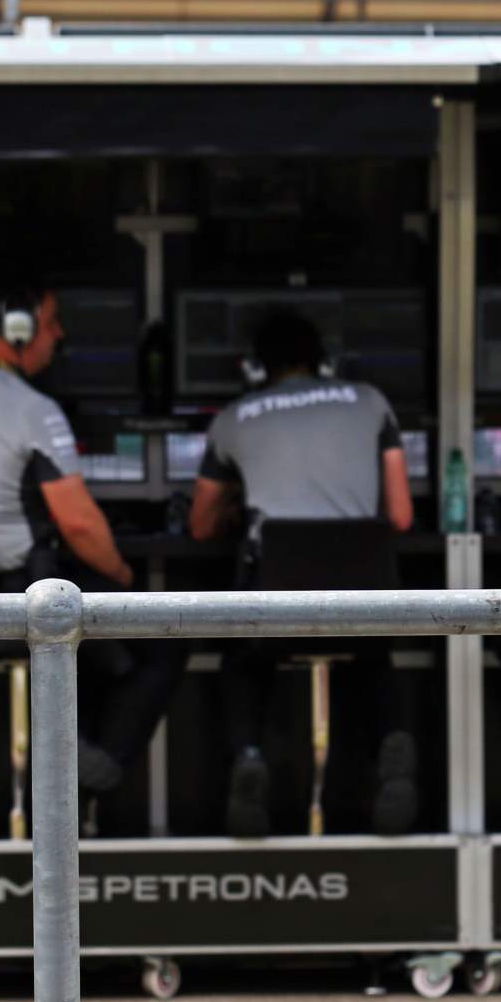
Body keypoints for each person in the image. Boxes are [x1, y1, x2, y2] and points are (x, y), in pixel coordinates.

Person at [0, 284, 184, 803]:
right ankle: (93, 769)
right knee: (157, 636)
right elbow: (80, 525)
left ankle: (70, 755)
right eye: (53, 323)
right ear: (18, 328)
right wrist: (128, 579)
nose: (59, 337)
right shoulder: (31, 408)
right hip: (18, 595)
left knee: (101, 641)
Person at [189, 309, 417, 834]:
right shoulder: (371, 401)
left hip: (277, 592)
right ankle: (391, 747)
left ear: (255, 367)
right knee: (369, 652)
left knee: (243, 658)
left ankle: (248, 756)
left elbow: (201, 525)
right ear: (325, 361)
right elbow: (401, 515)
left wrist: (237, 506)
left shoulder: (233, 418)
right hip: (365, 590)